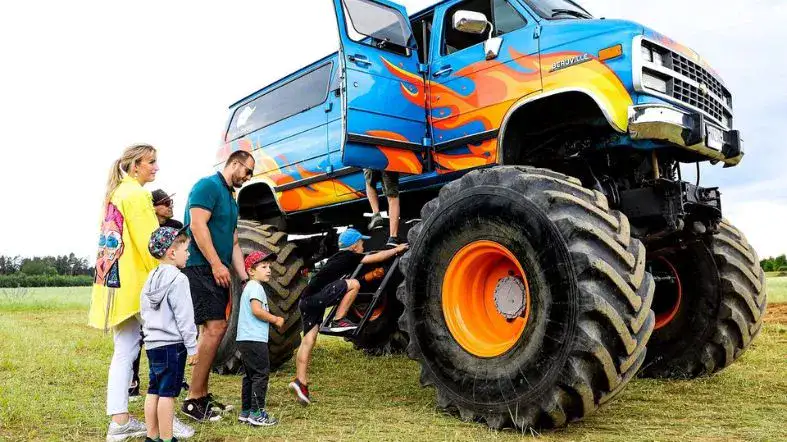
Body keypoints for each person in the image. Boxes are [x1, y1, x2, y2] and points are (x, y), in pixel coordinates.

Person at [288, 228, 408, 405]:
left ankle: (300, 382)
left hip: (307, 300)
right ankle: (338, 319)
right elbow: (377, 257)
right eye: (361, 243)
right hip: (316, 298)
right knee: (354, 284)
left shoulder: (339, 257)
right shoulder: (349, 256)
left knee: (309, 340)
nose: (363, 245)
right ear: (353, 246)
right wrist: (397, 250)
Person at [89, 144, 160, 441]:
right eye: (151, 162)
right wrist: (165, 277)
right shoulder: (136, 194)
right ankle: (162, 418)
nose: (156, 168)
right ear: (135, 167)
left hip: (113, 285)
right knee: (164, 347)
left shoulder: (116, 194)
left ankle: (120, 420)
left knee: (124, 352)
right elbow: (152, 244)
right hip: (136, 286)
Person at [181, 150, 256, 421]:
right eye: (247, 171)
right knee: (215, 329)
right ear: (234, 163)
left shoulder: (231, 199)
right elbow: (197, 226)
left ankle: (200, 394)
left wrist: (245, 278)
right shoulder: (207, 186)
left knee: (210, 331)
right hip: (200, 267)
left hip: (217, 270)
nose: (248, 177)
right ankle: (192, 400)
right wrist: (215, 263)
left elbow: (234, 242)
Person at [141, 227, 201, 441]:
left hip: (153, 344)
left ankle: (152, 436)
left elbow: (144, 312)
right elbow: (185, 317)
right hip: (172, 346)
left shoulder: (151, 277)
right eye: (186, 249)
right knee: (168, 395)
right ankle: (167, 438)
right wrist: (193, 347)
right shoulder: (178, 279)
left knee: (153, 390)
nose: (189, 253)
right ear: (172, 253)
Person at [130, 188, 184, 400]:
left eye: (171, 202)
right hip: (145, 283)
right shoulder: (142, 228)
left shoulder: (176, 228)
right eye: (165, 203)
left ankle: (174, 376)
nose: (170, 206)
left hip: (167, 284)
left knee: (171, 331)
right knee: (141, 335)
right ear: (153, 207)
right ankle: (133, 380)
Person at [236, 250, 284, 427]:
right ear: (251, 271)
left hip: (245, 338)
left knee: (249, 376)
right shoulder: (256, 287)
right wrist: (275, 319)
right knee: (261, 375)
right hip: (254, 339)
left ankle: (246, 411)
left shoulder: (250, 287)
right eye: (264, 267)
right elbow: (257, 310)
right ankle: (257, 414)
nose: (269, 270)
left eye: (269, 266)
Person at [364, 169, 402, 246]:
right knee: (392, 197)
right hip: (389, 159)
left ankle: (376, 213)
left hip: (371, 158)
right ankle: (393, 237)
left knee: (369, 182)